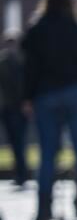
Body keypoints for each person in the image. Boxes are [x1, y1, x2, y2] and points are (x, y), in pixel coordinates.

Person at [20, 0, 77, 220]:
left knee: (46, 155)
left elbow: (29, 68)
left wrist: (27, 97)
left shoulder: (37, 28)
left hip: (46, 94)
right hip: (76, 93)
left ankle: (43, 210)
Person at [0, 27, 30, 188]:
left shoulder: (24, 60)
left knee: (20, 142)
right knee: (14, 142)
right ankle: (20, 173)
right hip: (8, 107)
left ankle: (22, 174)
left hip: (20, 107)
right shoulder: (4, 61)